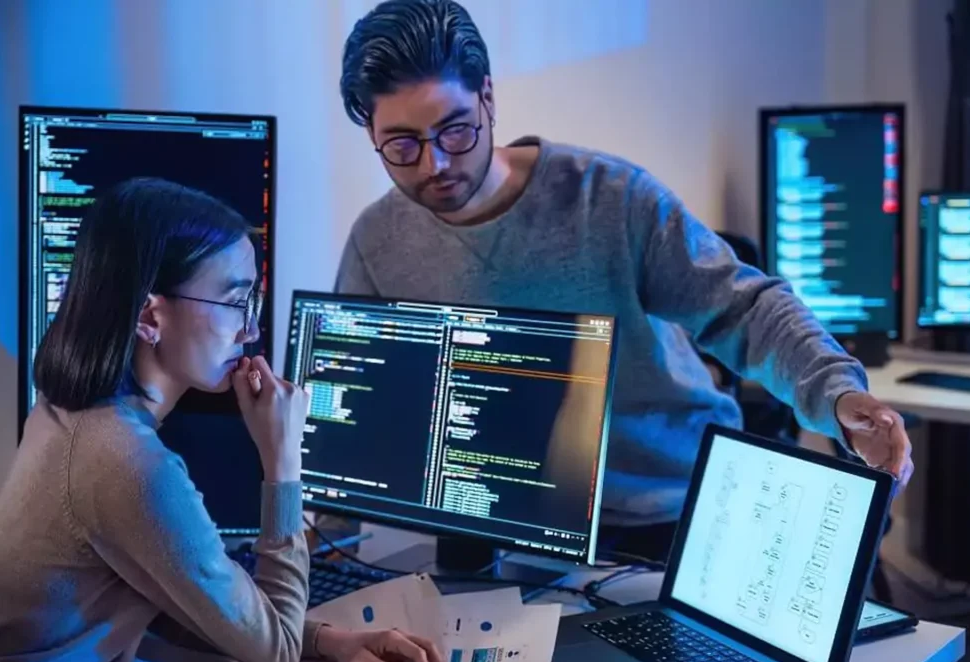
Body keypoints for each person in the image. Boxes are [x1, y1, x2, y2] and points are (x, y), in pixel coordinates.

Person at [335, 0, 915, 561]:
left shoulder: (610, 199)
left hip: (667, 511)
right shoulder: (377, 241)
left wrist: (837, 393)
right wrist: (324, 545)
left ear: (487, 96)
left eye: (454, 131)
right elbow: (348, 409)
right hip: (504, 524)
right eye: (403, 145)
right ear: (372, 137)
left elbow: (746, 309)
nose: (434, 164)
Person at [0, 178, 450, 662]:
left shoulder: (64, 409)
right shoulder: (128, 463)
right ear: (149, 314)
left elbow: (164, 592)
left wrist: (324, 639)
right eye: (235, 302)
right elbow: (274, 655)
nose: (250, 330)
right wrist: (282, 460)